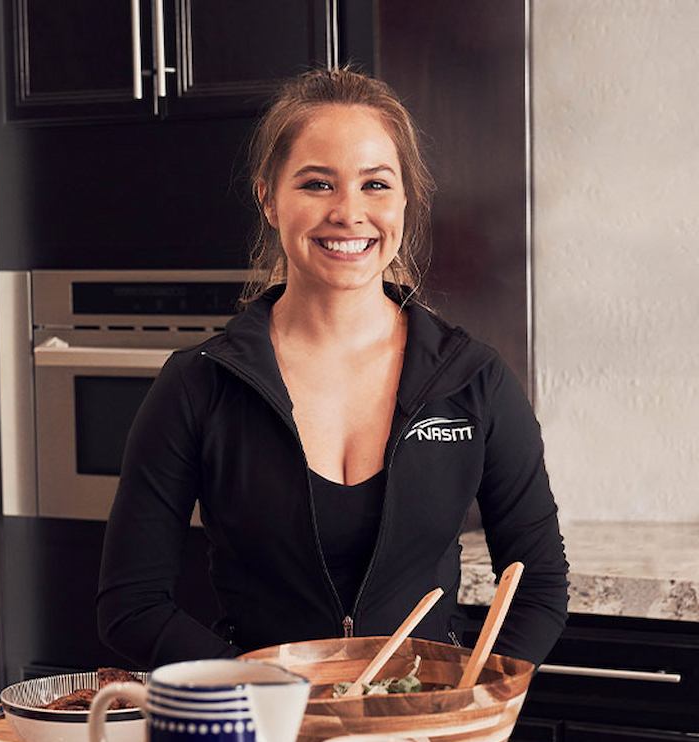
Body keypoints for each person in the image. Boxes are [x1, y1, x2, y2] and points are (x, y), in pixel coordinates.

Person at [97, 68, 568, 670]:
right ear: (268, 197)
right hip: (255, 736)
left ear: (403, 200)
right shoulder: (199, 383)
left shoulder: (475, 379)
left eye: (375, 185)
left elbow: (540, 584)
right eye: (318, 184)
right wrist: (256, 694)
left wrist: (467, 696)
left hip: (421, 735)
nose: (349, 213)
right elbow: (131, 605)